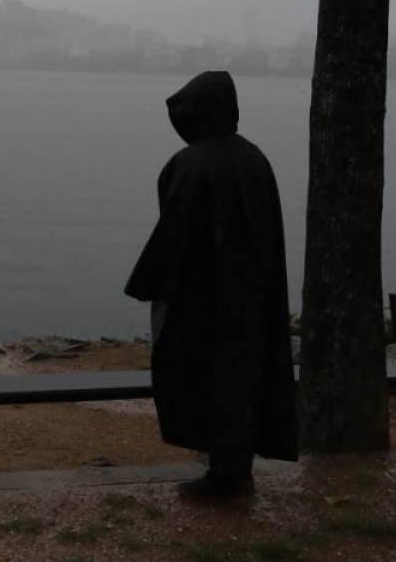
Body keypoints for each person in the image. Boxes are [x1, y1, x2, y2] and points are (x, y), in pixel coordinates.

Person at [123, 69, 298, 501]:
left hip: (200, 296)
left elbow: (175, 232)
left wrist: (148, 283)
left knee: (202, 374)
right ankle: (235, 468)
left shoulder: (189, 164)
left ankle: (223, 476)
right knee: (244, 377)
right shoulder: (256, 159)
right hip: (253, 294)